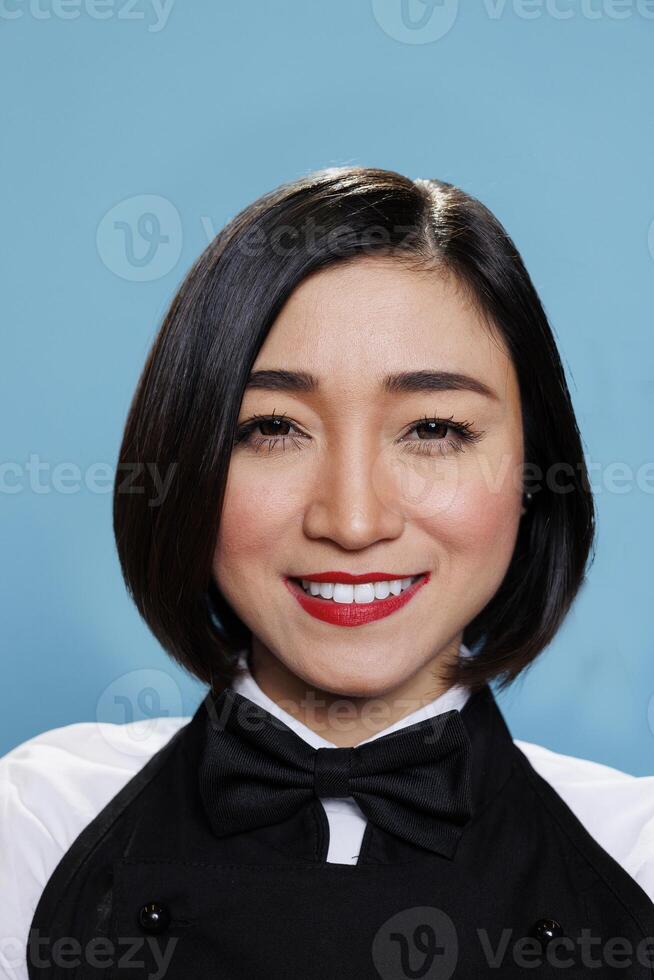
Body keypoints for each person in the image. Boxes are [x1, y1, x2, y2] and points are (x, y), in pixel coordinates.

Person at [2, 166, 654, 979]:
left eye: (436, 430)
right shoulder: (34, 824)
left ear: (535, 470)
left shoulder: (637, 852)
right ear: (187, 461)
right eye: (273, 427)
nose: (351, 522)